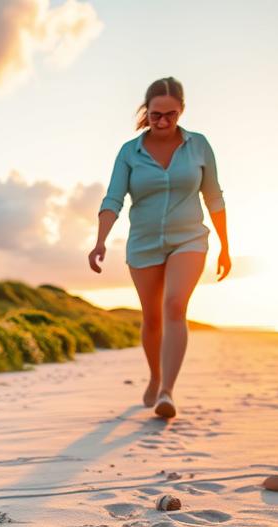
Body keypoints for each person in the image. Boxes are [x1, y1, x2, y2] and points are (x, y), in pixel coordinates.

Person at [88, 76, 230, 419]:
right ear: (145, 111)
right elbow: (113, 198)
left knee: (175, 304)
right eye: (156, 115)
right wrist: (100, 240)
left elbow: (213, 196)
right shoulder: (129, 152)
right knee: (152, 319)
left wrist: (225, 246)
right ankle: (155, 376)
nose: (163, 121)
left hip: (189, 238)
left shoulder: (199, 146)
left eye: (171, 114)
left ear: (181, 111)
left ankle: (167, 391)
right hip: (144, 244)